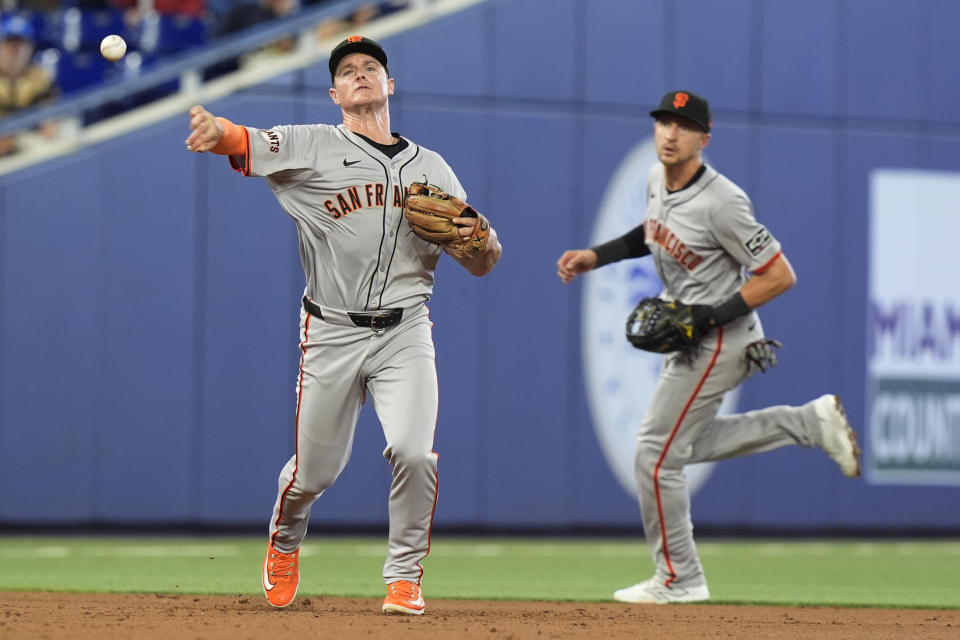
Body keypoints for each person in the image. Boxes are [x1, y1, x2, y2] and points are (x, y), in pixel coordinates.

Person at [184, 35, 502, 615]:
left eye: (370, 67)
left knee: (413, 451)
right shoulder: (312, 146)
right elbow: (246, 142)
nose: (359, 74)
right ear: (334, 93)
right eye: (347, 71)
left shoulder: (432, 168)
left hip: (405, 330)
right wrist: (217, 133)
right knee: (314, 471)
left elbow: (484, 261)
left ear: (389, 85)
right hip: (330, 331)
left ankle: (404, 577)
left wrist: (477, 240)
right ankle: (284, 540)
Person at [556, 90, 860, 604]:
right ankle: (809, 423)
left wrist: (708, 315)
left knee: (655, 455)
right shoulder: (657, 179)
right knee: (682, 448)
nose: (671, 134)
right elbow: (650, 232)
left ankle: (680, 578)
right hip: (698, 337)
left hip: (723, 338)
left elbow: (779, 275)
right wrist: (596, 255)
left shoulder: (723, 201)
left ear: (704, 138)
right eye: (664, 123)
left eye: (683, 126)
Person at [0, 13, 59, 157]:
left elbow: (50, 124)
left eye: (20, 45)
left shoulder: (40, 79)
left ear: (30, 48)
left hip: (31, 150)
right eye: (9, 44)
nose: (15, 51)